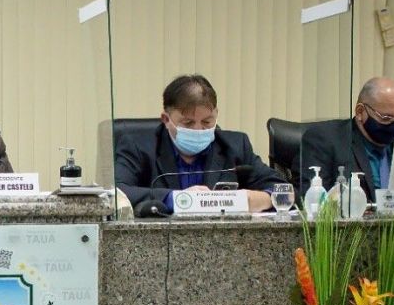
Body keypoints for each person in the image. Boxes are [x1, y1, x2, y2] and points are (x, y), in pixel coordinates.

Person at [115, 74, 284, 214]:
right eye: (188, 123)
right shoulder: (138, 146)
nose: (198, 129)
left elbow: (284, 190)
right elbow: (116, 192)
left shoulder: (236, 145)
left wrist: (261, 199)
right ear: (166, 119)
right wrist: (176, 198)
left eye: (207, 122)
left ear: (216, 115)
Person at [297, 77, 394, 202]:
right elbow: (311, 200)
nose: (393, 125)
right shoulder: (324, 139)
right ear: (360, 112)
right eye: (386, 118)